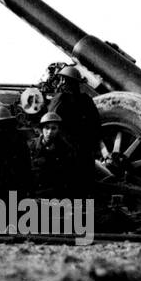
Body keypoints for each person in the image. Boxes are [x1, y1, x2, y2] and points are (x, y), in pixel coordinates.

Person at [47, 65, 101, 196]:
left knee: (66, 187)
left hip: (66, 150)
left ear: (65, 81)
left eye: (62, 80)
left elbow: (51, 121)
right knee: (84, 186)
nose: (60, 83)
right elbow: (96, 125)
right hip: (85, 151)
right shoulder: (86, 100)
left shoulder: (60, 99)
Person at [29, 112, 76, 198]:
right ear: (42, 129)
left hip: (56, 191)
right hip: (36, 191)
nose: (49, 132)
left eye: (53, 128)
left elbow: (69, 173)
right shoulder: (32, 145)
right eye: (47, 128)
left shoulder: (65, 148)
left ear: (58, 130)